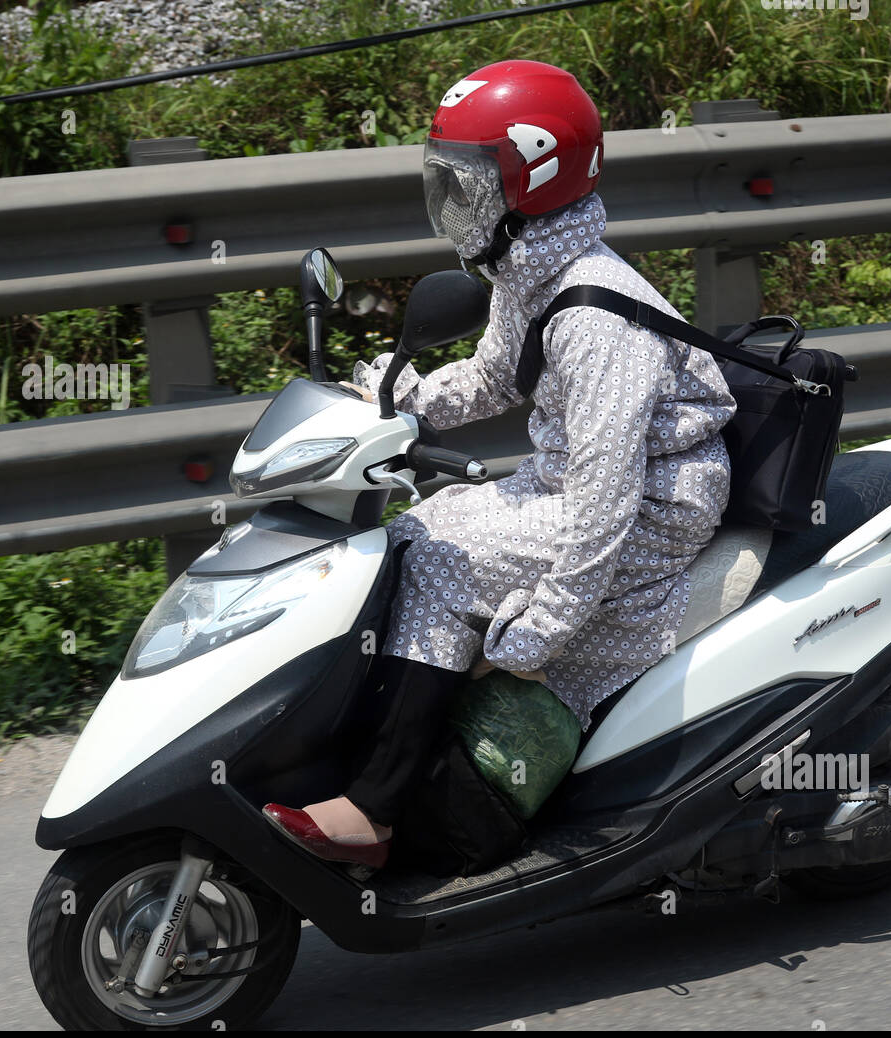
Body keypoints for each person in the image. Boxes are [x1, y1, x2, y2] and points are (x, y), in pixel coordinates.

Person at [263, 59, 736, 870]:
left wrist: (537, 633)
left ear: (533, 183)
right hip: (575, 481)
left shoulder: (595, 318)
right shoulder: (531, 270)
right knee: (411, 535)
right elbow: (492, 377)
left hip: (654, 505)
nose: (452, 203)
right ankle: (366, 748)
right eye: (445, 179)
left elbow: (605, 503)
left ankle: (373, 811)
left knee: (441, 565)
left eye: (470, 183)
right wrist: (392, 398)